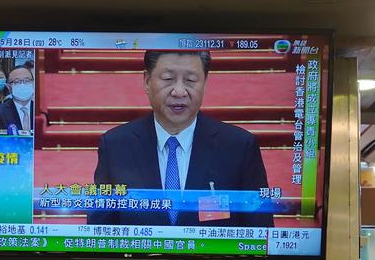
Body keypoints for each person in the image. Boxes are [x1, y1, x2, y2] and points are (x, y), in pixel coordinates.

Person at [89, 49, 273, 228]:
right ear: (146, 81)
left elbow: (261, 235)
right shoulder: (116, 146)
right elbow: (99, 233)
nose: (179, 92)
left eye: (191, 80)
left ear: (205, 82)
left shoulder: (239, 147)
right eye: (168, 79)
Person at [0, 64, 36, 132]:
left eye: (27, 80)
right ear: (9, 87)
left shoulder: (40, 111)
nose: (22, 85)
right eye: (17, 82)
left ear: (33, 83)